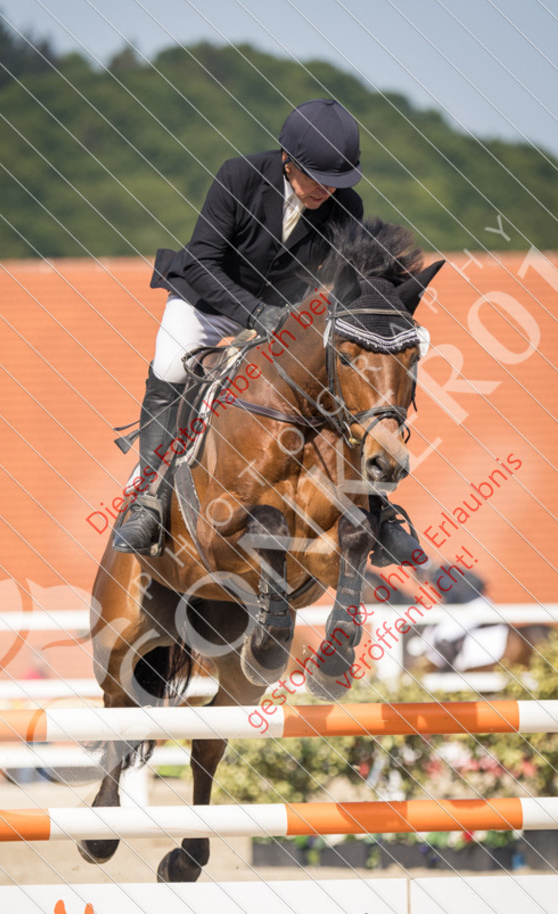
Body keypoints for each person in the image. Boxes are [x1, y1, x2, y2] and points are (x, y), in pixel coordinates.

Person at [113, 98, 420, 564]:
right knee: (171, 365)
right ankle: (150, 497)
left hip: (284, 314)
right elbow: (201, 261)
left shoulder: (345, 206)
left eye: (336, 183)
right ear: (287, 161)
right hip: (210, 299)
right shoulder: (239, 177)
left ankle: (378, 510)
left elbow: (339, 282)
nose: (327, 192)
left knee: (339, 379)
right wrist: (254, 313)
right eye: (317, 179)